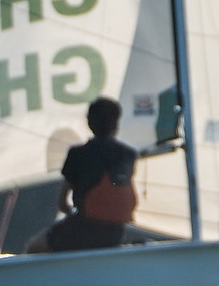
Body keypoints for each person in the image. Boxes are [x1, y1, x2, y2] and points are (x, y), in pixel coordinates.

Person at [24, 97, 138, 254]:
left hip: (82, 230)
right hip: (115, 233)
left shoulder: (77, 154)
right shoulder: (129, 155)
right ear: (116, 124)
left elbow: (62, 203)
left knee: (33, 247)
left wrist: (74, 215)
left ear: (89, 123)